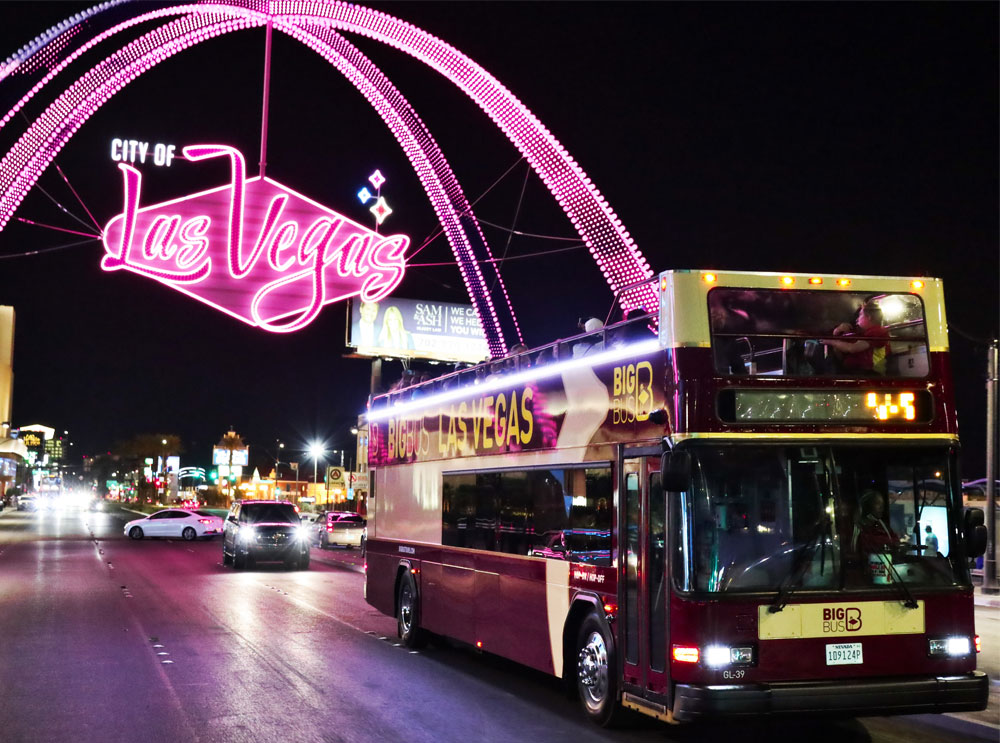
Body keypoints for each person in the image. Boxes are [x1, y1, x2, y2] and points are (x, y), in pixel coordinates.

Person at [822, 300, 890, 375]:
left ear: (869, 317)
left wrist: (830, 341)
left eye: (860, 315)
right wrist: (837, 331)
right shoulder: (863, 333)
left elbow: (852, 348)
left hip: (870, 374)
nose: (857, 319)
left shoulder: (877, 331)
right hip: (858, 371)